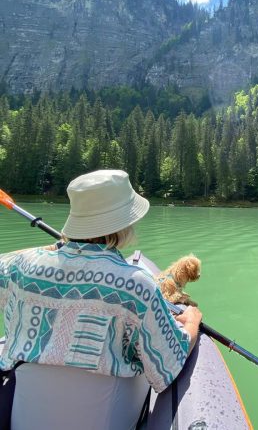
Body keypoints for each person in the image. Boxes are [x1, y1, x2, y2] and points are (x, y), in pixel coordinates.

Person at [0, 169, 202, 429]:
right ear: (124, 223)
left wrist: (50, 251)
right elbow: (169, 363)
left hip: (25, 420)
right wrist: (191, 323)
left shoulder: (19, 267)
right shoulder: (136, 284)